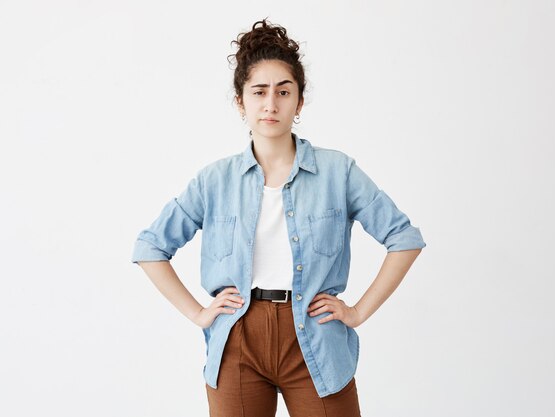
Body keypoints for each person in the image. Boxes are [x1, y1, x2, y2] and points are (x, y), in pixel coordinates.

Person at [131, 18, 426, 417]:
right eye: (259, 92)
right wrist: (199, 314)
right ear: (241, 101)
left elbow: (403, 238)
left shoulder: (338, 172)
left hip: (315, 338)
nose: (271, 104)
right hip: (238, 340)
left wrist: (357, 312)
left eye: (283, 92)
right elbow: (150, 246)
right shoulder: (214, 181)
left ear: (299, 101)